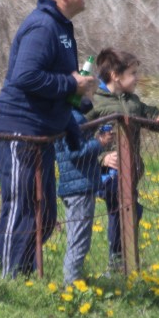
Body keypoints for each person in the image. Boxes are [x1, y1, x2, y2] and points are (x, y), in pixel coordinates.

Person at [0, 0, 100, 278]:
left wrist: (80, 97)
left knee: (45, 214)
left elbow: (55, 86)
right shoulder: (42, 26)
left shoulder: (63, 29)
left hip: (41, 133)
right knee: (22, 207)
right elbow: (26, 77)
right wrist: (70, 84)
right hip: (15, 129)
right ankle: (6, 280)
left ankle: (21, 276)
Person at [86, 47, 159, 272]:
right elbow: (78, 137)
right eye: (133, 73)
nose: (137, 78)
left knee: (131, 211)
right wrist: (101, 157)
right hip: (107, 175)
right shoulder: (94, 105)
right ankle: (117, 261)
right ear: (116, 76)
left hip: (131, 173)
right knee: (123, 210)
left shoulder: (134, 103)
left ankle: (123, 262)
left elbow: (154, 117)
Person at [54, 100, 118, 285]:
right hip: (78, 188)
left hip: (75, 186)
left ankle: (73, 281)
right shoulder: (73, 118)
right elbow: (75, 153)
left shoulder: (65, 115)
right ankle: (72, 285)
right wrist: (100, 142)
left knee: (78, 238)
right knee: (79, 241)